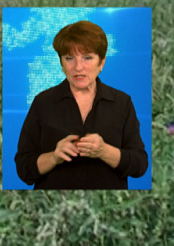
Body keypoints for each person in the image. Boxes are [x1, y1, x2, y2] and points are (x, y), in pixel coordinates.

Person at [14, 20, 149, 189]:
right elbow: (23, 168)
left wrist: (104, 151)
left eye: (87, 57)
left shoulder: (122, 102)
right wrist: (54, 157)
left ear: (102, 62)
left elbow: (140, 165)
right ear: (61, 64)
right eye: (69, 58)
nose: (78, 67)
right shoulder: (42, 102)